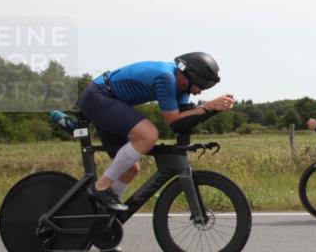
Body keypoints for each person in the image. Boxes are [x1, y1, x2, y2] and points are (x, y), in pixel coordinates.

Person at [78, 52, 235, 212]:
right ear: (189, 77)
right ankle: (100, 188)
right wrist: (207, 107)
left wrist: (212, 109)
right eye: (200, 86)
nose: (200, 92)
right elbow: (173, 121)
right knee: (148, 135)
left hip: (107, 101)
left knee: (130, 169)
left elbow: (182, 122)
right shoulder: (167, 78)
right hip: (97, 97)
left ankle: (103, 215)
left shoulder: (182, 86)